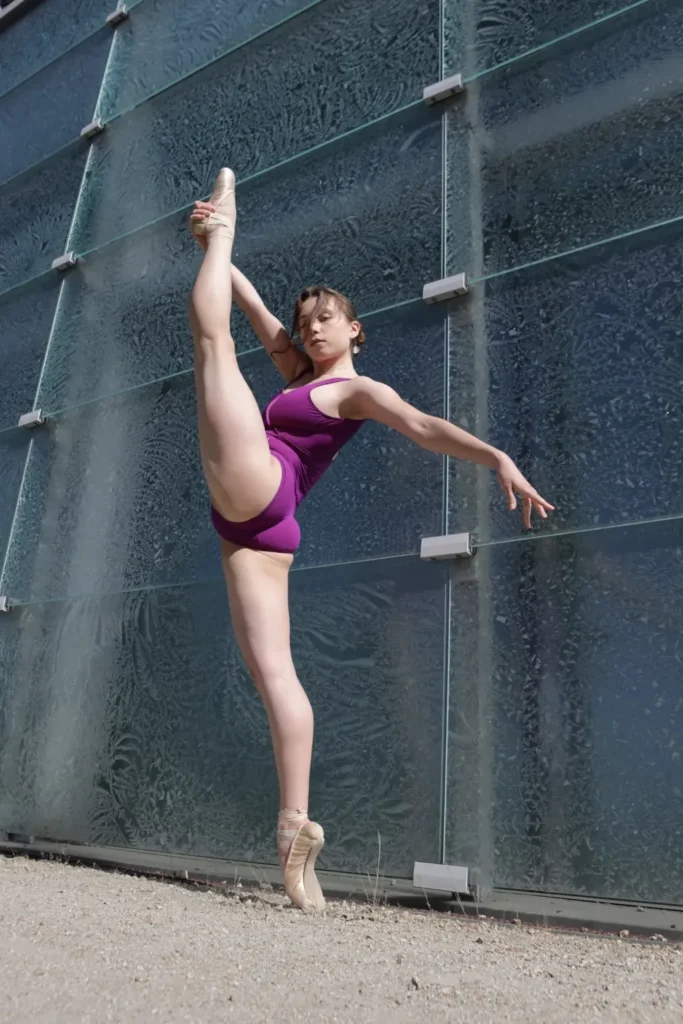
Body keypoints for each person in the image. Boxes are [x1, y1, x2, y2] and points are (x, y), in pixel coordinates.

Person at [188, 169, 554, 912]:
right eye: (308, 321)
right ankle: (294, 830)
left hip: (264, 488)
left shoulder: (354, 390)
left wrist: (496, 457)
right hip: (257, 533)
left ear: (356, 330)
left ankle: (225, 225)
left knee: (210, 347)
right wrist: (212, 253)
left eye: (328, 318)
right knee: (273, 675)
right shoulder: (298, 373)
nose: (313, 328)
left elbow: (422, 426)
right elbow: (252, 307)